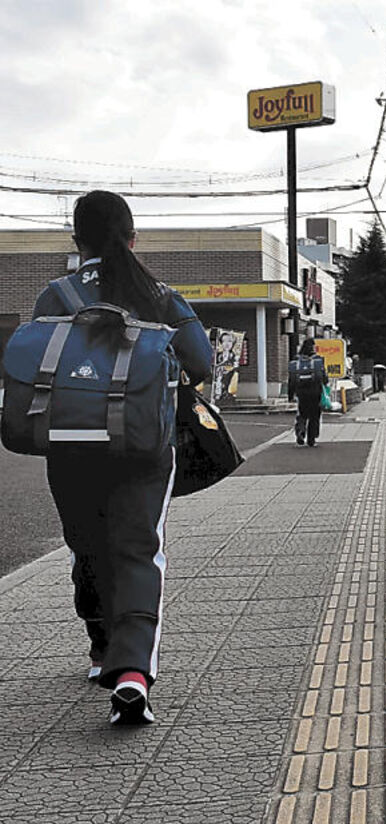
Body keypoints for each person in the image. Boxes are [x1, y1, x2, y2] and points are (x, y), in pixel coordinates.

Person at [30, 190, 213, 725]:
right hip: (143, 444)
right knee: (137, 549)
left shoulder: (55, 295)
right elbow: (199, 363)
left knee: (86, 544)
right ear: (133, 237)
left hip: (68, 444)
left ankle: (98, 648)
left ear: (76, 241)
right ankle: (132, 672)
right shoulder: (158, 294)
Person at [288, 338, 327, 446]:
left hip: (301, 393)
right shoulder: (318, 361)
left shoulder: (296, 361)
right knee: (314, 416)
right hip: (315, 392)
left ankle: (300, 431)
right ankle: (311, 439)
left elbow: (291, 380)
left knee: (302, 414)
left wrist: (290, 395)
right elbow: (324, 379)